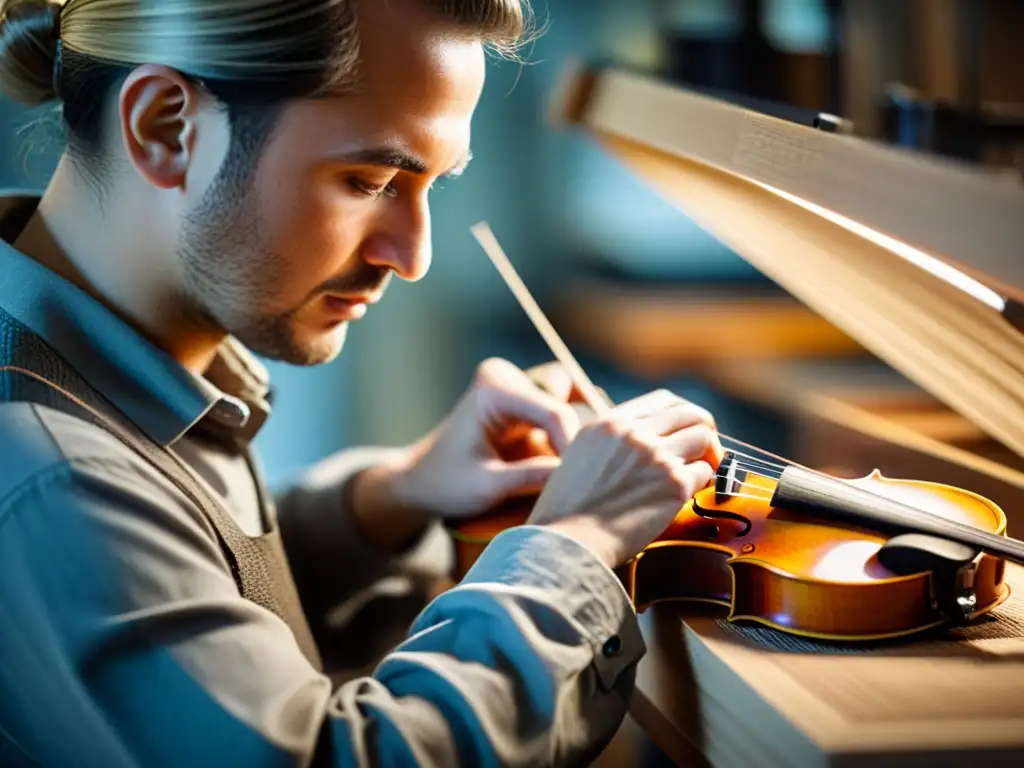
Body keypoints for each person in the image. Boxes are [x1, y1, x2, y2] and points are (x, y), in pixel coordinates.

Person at [0, 0, 722, 765]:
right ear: (165, 127)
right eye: (371, 179)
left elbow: (188, 605)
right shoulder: (52, 471)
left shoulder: (100, 373)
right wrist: (573, 545)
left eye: (432, 187)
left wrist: (392, 498)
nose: (413, 256)